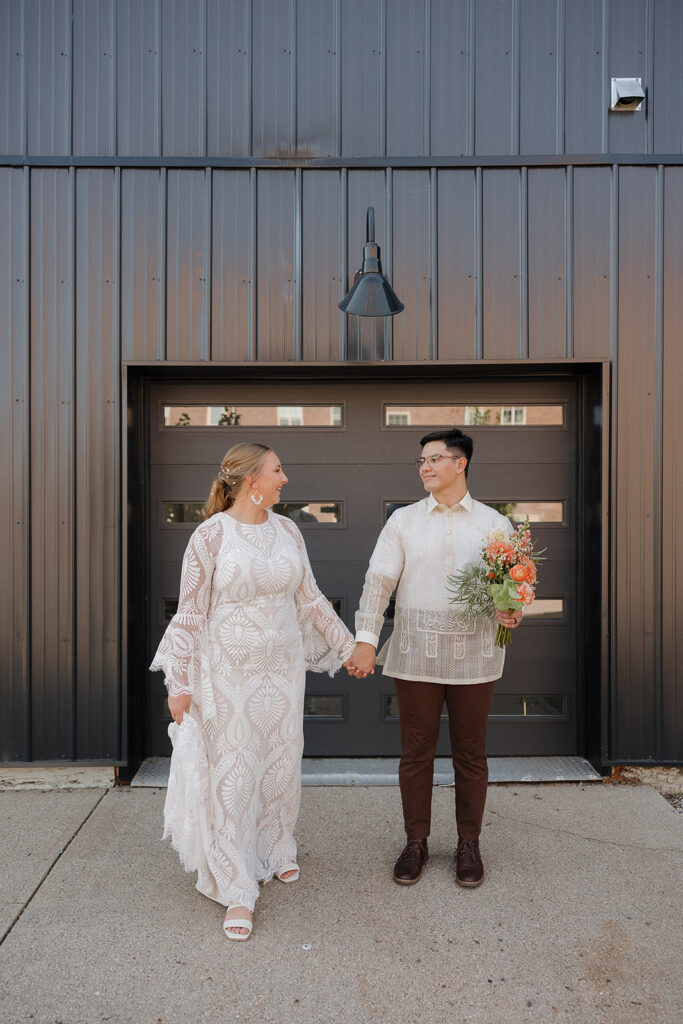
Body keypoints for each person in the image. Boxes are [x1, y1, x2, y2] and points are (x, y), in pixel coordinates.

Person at [151, 443, 362, 940]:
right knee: (236, 772)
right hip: (228, 675)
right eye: (277, 470)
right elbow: (189, 613)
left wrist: (349, 648)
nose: (284, 478)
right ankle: (236, 886)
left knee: (281, 764)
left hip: (282, 672)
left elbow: (309, 599)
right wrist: (179, 683)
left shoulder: (288, 530)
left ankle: (276, 847)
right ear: (251, 481)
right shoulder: (211, 535)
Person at [348, 430, 522, 888]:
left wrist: (511, 608)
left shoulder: (494, 524)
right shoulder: (403, 522)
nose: (425, 467)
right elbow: (377, 581)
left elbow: (511, 587)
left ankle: (469, 844)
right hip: (416, 655)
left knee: (471, 754)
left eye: (435, 459)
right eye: (422, 461)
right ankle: (416, 843)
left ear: (460, 464)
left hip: (475, 657)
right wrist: (366, 637)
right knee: (416, 754)